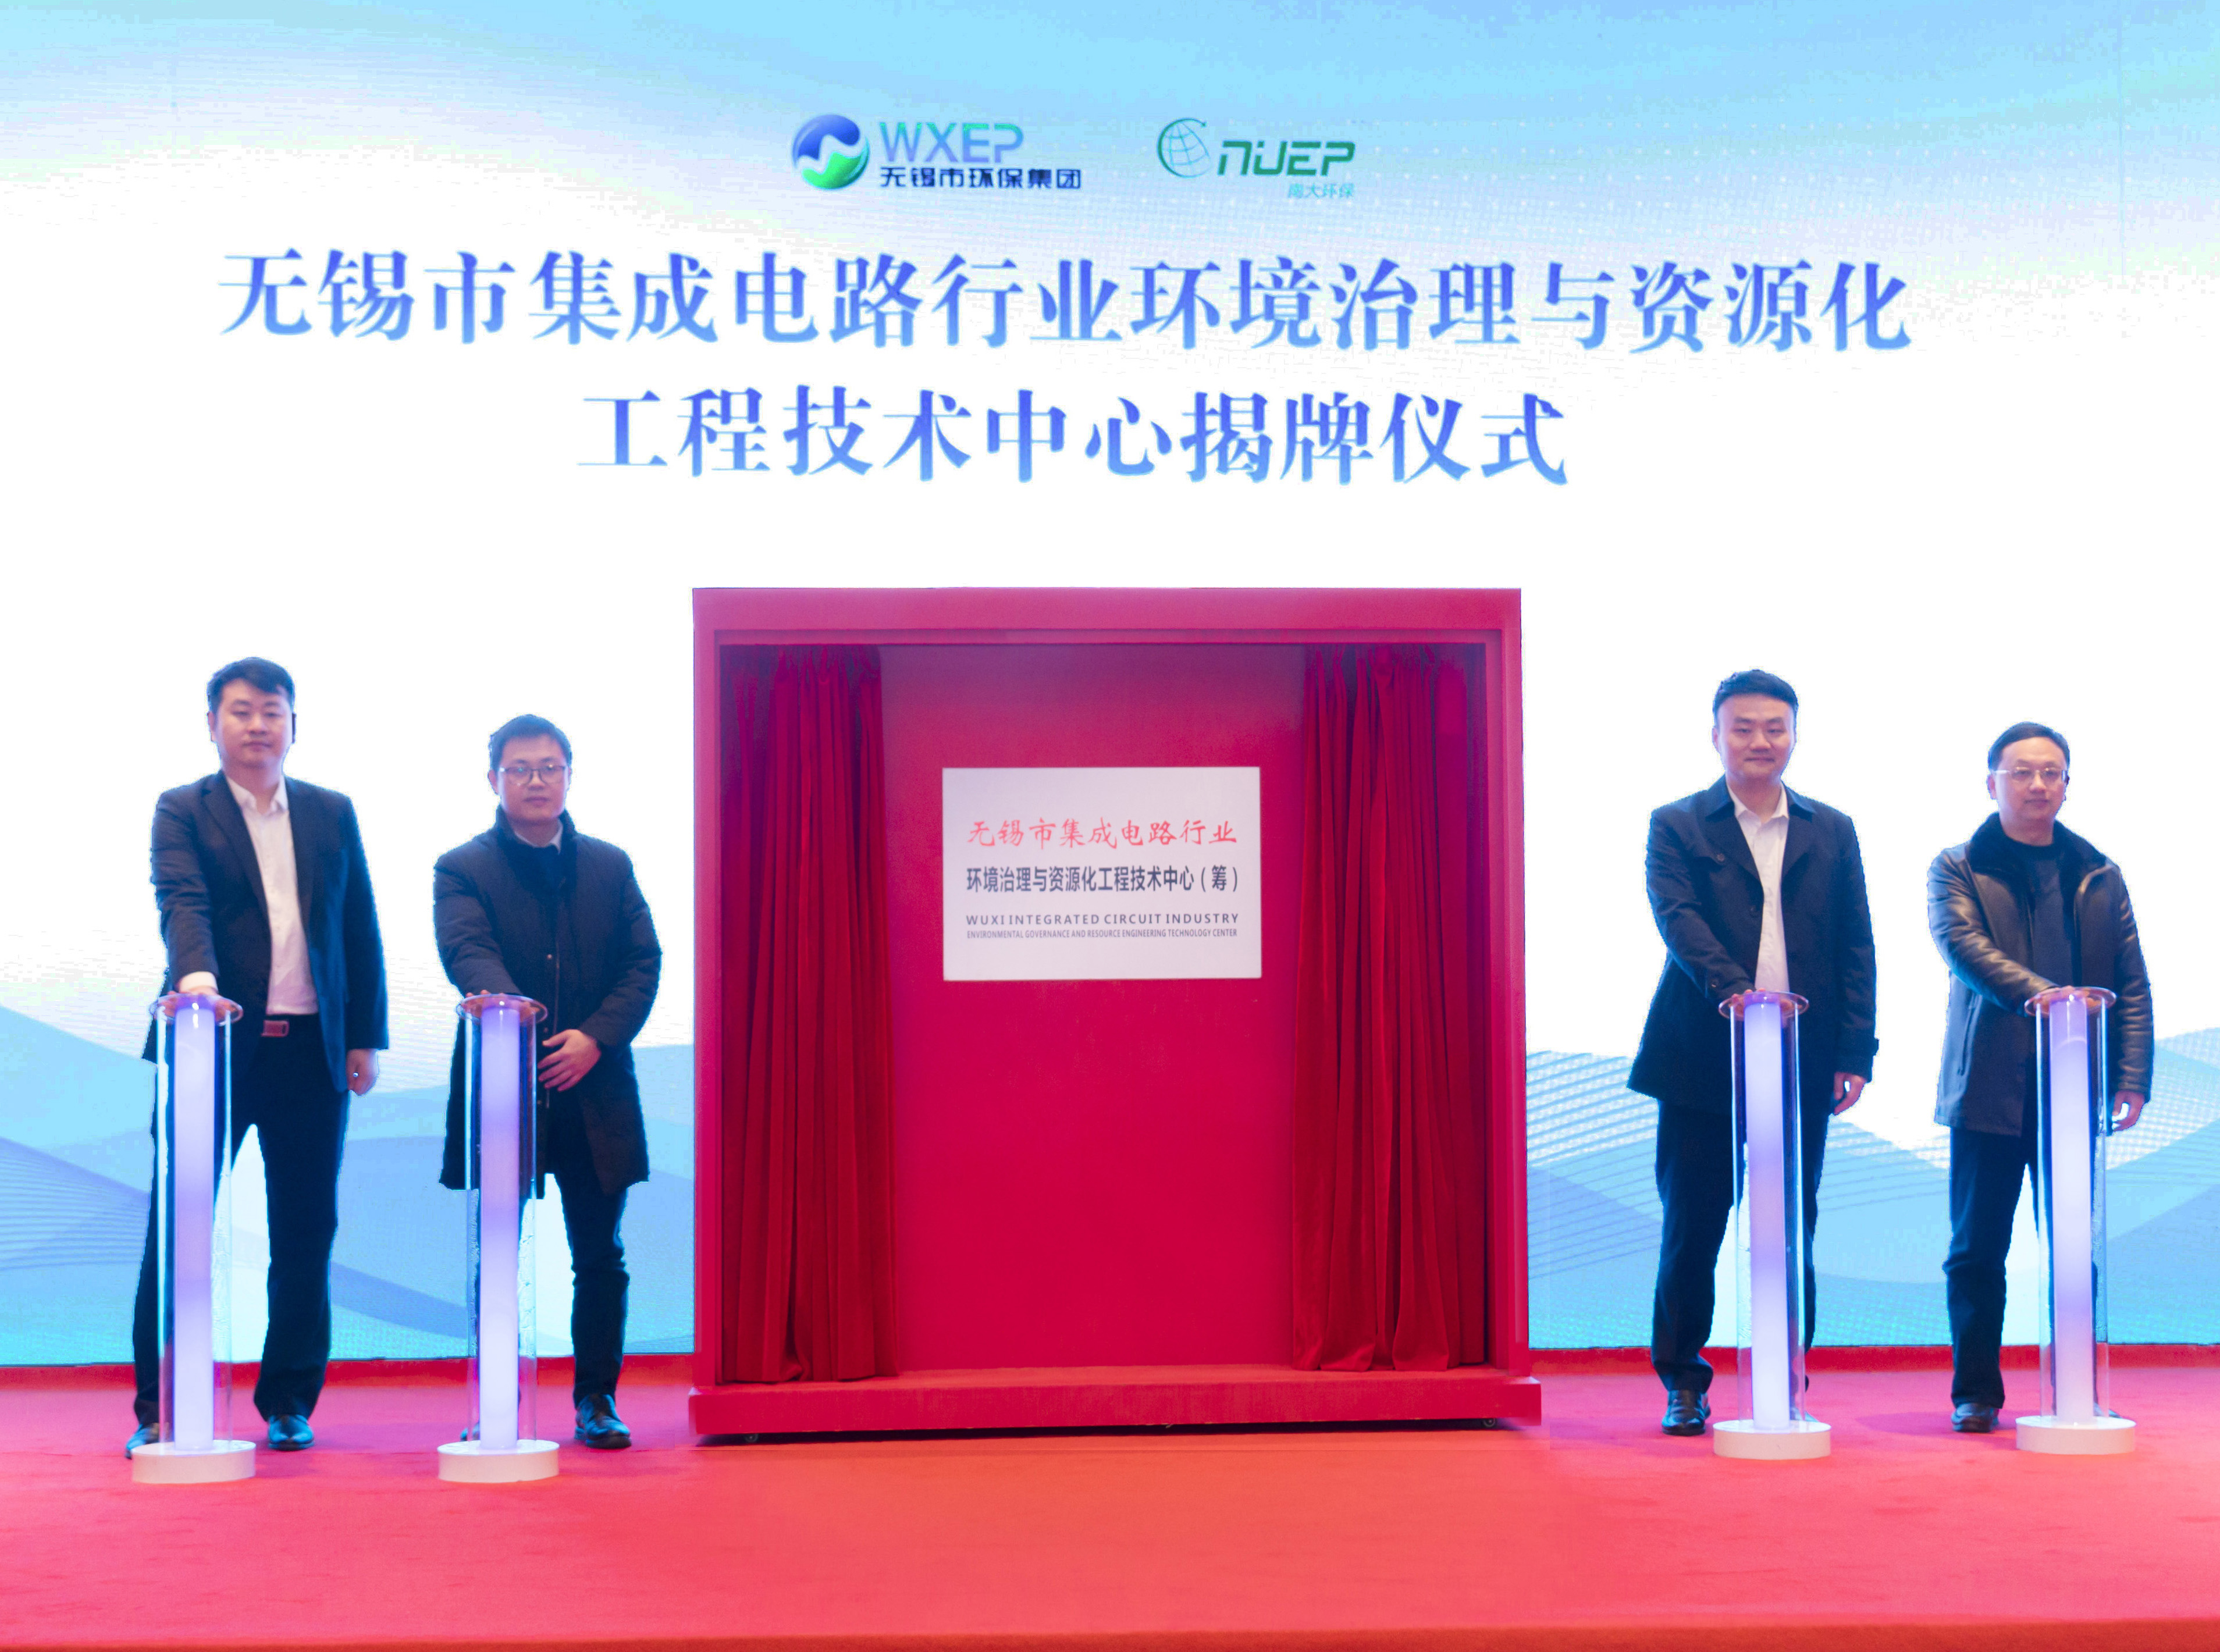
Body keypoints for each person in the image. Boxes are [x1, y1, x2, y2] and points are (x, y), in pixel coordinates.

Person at [129, 658, 387, 1455]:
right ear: (212, 724)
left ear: (293, 725)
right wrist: (197, 986)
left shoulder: (330, 811)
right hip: (210, 1046)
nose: (257, 725)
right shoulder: (183, 809)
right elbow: (183, 902)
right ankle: (161, 1404)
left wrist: (364, 1035)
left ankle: (289, 1400)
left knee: (306, 1229)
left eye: (272, 711)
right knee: (180, 1226)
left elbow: (358, 923)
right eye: (240, 711)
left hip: (310, 1051)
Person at [1630, 669, 1878, 1436]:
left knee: (1791, 1226)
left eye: (1775, 727)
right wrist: (1737, 992)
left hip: (1801, 1060)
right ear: (1717, 736)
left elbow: (1856, 943)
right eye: (1743, 727)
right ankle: (1684, 1379)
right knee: (1693, 1225)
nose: (1760, 741)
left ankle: (1785, 1372)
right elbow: (1678, 918)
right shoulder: (1677, 824)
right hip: (1700, 1057)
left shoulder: (1832, 829)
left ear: (1795, 735)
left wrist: (1855, 1049)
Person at [433, 715, 661, 1449]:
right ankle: (496, 1398)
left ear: (569, 774)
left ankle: (597, 1398)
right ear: (493, 778)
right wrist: (519, 1021)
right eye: (521, 768)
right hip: (507, 1085)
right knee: (497, 1252)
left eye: (550, 767)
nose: (537, 780)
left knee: (600, 1255)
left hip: (596, 1088)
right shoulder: (462, 867)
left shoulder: (610, 866)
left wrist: (595, 1037)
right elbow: (466, 950)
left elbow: (642, 963)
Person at [1928, 722, 2151, 1432]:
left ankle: (2076, 1384)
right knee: (1977, 1250)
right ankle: (1976, 1392)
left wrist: (2131, 1073)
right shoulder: (1958, 866)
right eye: (2021, 772)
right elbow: (1964, 947)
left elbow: (2131, 980)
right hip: (1988, 1088)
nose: (2037, 785)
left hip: (2073, 1089)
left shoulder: (2098, 871)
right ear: (1991, 782)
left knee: (2075, 1248)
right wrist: (2052, 997)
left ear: (2066, 784)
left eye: (2051, 772)